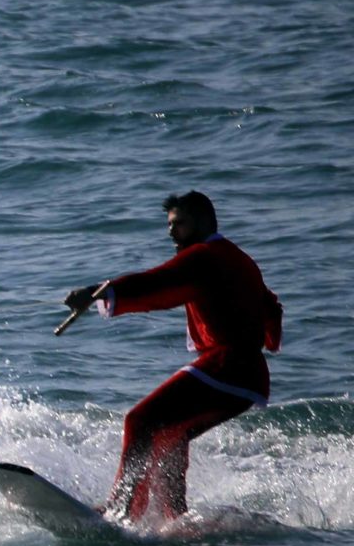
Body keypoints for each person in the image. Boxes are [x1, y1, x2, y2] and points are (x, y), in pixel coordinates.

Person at [63, 191, 281, 526]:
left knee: (140, 420)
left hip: (228, 366)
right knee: (169, 434)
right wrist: (268, 337)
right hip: (246, 374)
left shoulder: (205, 256)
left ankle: (122, 510)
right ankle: (175, 519)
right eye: (169, 225)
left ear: (204, 222)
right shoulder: (238, 257)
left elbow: (158, 283)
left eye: (179, 224)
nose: (171, 233)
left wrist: (98, 293)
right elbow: (270, 305)